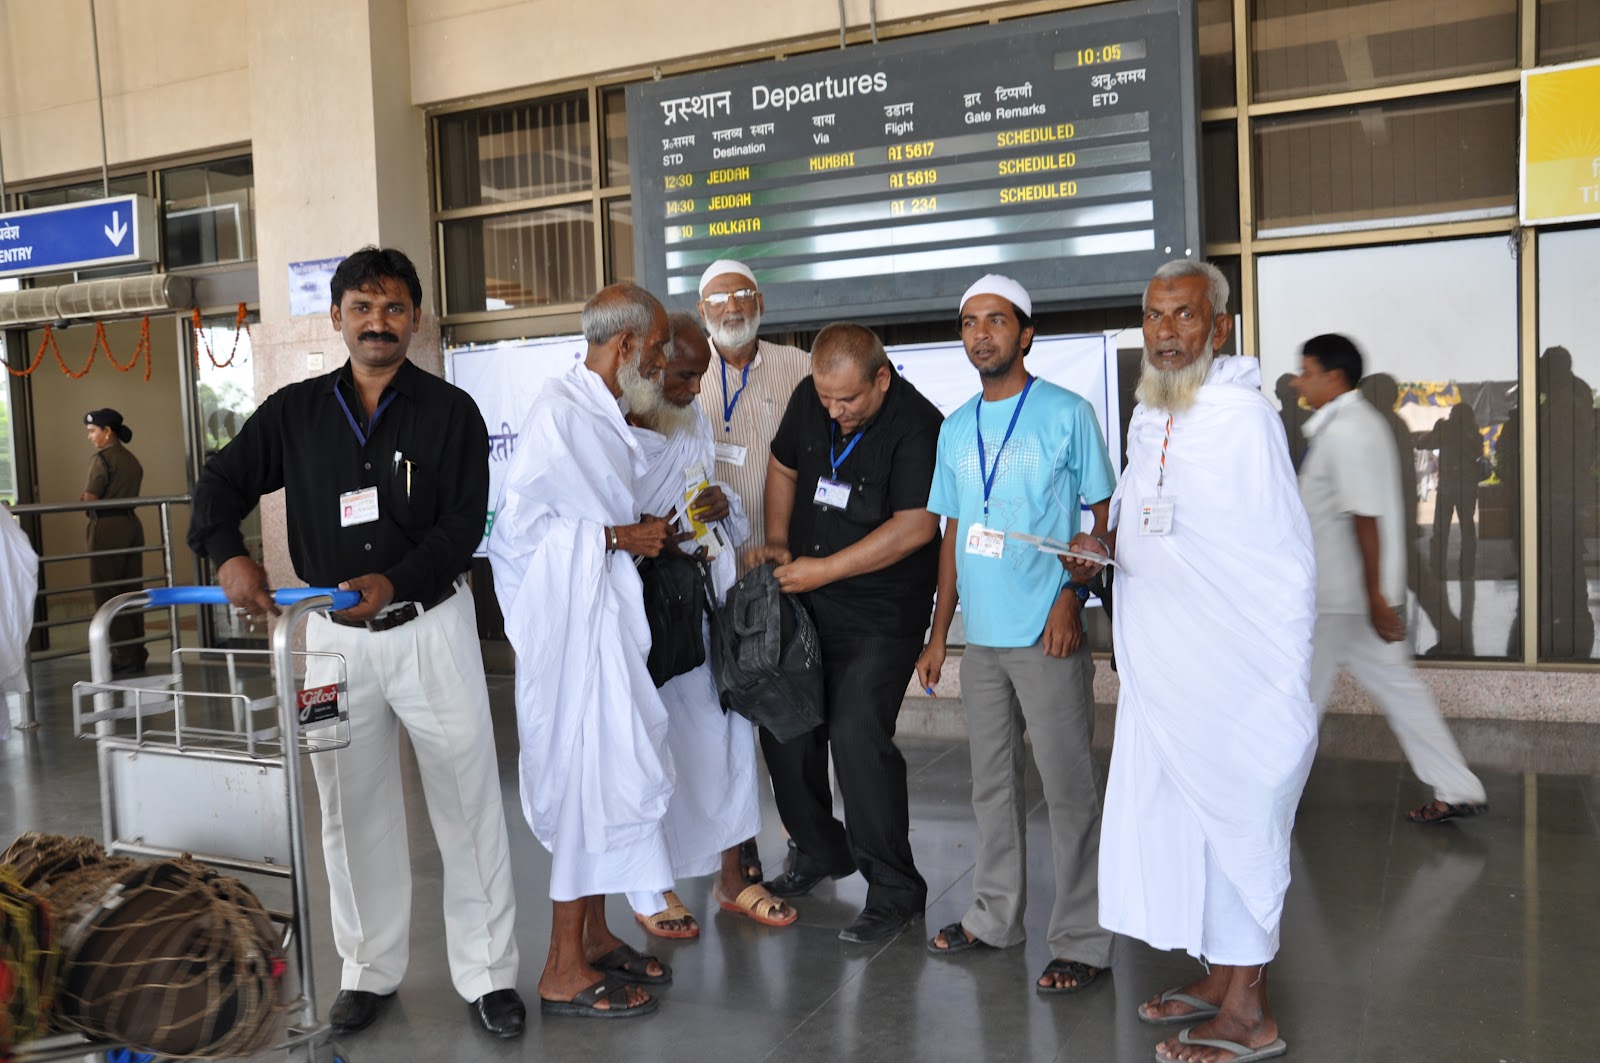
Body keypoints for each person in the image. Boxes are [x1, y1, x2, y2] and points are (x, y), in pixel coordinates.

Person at [189, 247, 524, 1038]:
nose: (379, 323)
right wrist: (228, 554)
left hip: (430, 627)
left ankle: (488, 974)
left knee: (467, 801)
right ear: (337, 316)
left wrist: (396, 581)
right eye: (363, 308)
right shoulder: (295, 412)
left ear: (415, 318)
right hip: (330, 642)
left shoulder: (450, 412)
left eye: (395, 307)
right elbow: (219, 482)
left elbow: (463, 524)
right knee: (347, 808)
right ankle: (368, 970)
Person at [1064, 259, 1316, 1063]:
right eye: (1154, 316)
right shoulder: (1151, 416)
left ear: (1220, 328)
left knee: (1238, 822)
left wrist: (1275, 672)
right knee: (1190, 827)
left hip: (1231, 672)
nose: (1165, 334)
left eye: (1183, 317)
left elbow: (1283, 557)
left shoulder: (1244, 420)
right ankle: (1220, 975)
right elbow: (1155, 522)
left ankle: (1251, 1012)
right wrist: (1102, 549)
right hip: (1164, 669)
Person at [916, 275, 1117, 993]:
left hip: (1047, 630)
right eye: (969, 322)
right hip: (985, 639)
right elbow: (952, 533)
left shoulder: (1067, 413)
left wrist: (1074, 595)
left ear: (1025, 334)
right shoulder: (954, 424)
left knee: (1069, 789)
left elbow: (1101, 522)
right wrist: (941, 632)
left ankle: (1084, 939)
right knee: (989, 784)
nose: (981, 334)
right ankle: (994, 916)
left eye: (995, 321)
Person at [488, 282, 682, 1019]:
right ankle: (562, 966)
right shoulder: (558, 414)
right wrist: (618, 537)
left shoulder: (603, 412)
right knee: (580, 787)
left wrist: (635, 528)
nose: (662, 363)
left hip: (599, 622)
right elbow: (518, 539)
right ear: (627, 345)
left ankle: (596, 934)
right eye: (657, 349)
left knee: (604, 783)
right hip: (567, 641)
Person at [747, 322, 941, 944]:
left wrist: (823, 569)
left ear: (881, 378)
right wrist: (778, 540)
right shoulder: (813, 398)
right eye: (826, 399)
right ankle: (820, 850)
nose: (835, 411)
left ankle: (894, 889)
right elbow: (782, 466)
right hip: (807, 598)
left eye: (848, 400)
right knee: (786, 724)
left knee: (857, 734)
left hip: (880, 614)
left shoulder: (918, 425)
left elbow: (915, 527)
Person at [624, 312, 798, 938]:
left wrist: (725, 506)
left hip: (701, 602)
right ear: (647, 366)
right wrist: (648, 535)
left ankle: (733, 876)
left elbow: (709, 498)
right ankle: (652, 887)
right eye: (684, 375)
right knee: (648, 748)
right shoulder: (609, 429)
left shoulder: (691, 420)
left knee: (725, 739)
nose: (698, 389)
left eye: (702, 375)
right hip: (640, 615)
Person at [1294, 334, 1488, 824]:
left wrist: (1377, 599)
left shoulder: (1348, 432)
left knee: (1299, 702)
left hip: (1341, 599)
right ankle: (1458, 787)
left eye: (1307, 370)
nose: (1300, 380)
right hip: (1352, 596)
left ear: (1333, 377)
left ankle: (1268, 805)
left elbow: (1365, 517)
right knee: (1398, 691)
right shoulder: (1353, 424)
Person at [694, 257, 811, 886]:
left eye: (743, 295)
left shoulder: (798, 366)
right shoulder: (685, 372)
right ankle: (735, 852)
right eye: (719, 299)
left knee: (787, 712)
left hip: (781, 566)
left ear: (761, 300)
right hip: (713, 573)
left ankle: (802, 837)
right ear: (701, 312)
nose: (733, 307)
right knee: (722, 718)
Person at [80, 409, 146, 674]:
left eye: (92, 431)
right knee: (131, 591)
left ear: (107, 431)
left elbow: (91, 497)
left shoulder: (103, 460)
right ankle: (138, 650)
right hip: (131, 525)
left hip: (107, 527)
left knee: (108, 593)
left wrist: (84, 501)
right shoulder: (131, 460)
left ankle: (123, 656)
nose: (90, 437)